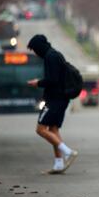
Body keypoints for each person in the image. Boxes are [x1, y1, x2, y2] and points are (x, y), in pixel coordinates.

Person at [27, 34, 78, 174]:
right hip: (61, 98)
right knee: (53, 129)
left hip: (55, 99)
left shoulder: (51, 57)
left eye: (34, 50)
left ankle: (68, 152)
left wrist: (37, 83)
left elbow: (52, 80)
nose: (35, 53)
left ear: (38, 47)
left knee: (41, 129)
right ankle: (58, 164)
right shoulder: (54, 55)